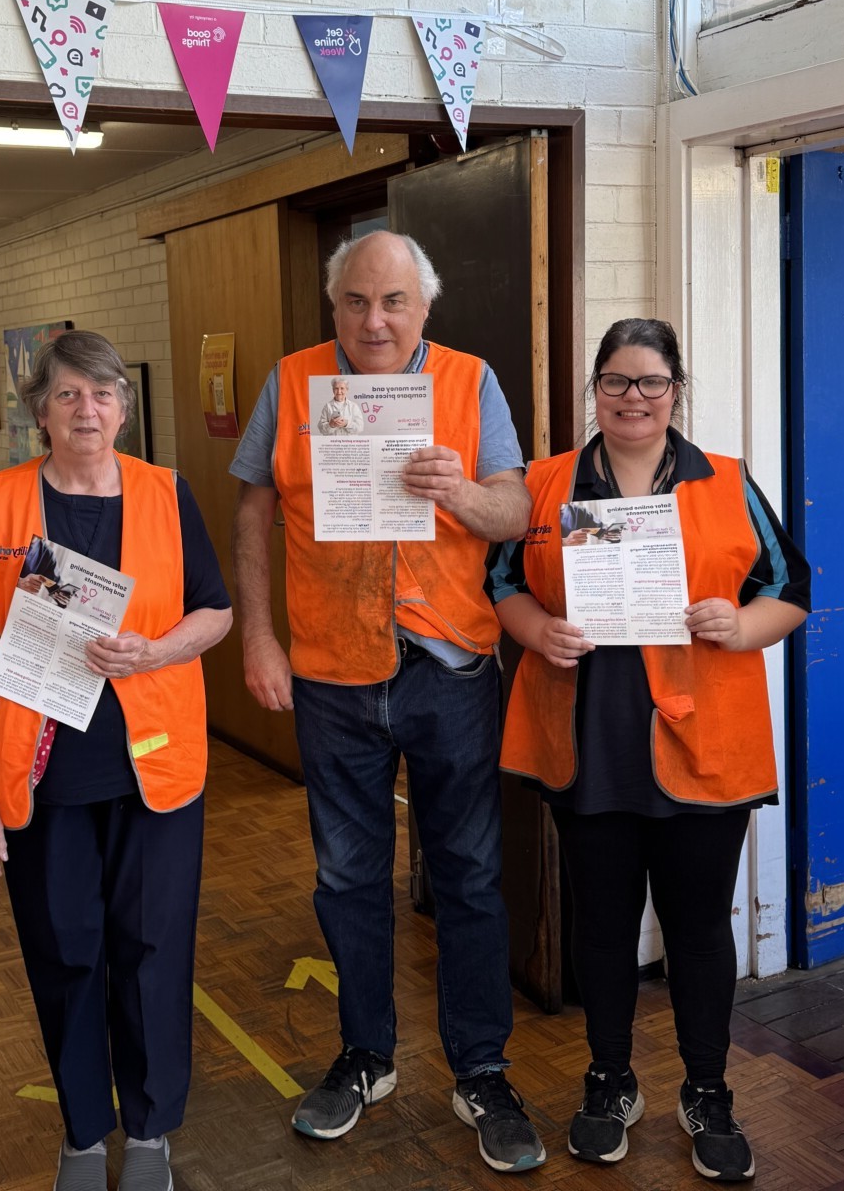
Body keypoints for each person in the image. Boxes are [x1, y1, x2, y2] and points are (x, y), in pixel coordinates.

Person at [229, 230, 546, 1173]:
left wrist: (460, 492)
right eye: (356, 301)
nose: (375, 319)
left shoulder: (470, 379)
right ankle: (366, 1056)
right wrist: (256, 636)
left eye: (394, 301)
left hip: (450, 669)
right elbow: (252, 506)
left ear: (424, 306)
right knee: (346, 879)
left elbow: (516, 510)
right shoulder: (292, 384)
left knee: (472, 879)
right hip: (331, 670)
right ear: (334, 307)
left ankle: (480, 1068)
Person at [489, 317, 808, 1183]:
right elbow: (502, 584)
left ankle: (707, 1090)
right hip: (588, 743)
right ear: (594, 389)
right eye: (617, 382)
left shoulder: (728, 481)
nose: (634, 399)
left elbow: (790, 590)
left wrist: (738, 625)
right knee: (603, 923)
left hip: (705, 743)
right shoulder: (548, 482)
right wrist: (538, 631)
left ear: (676, 390)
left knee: (701, 926)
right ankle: (609, 1081)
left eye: (652, 383)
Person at [0, 330, 233, 1191]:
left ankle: (147, 1138)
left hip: (156, 771)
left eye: (103, 394)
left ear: (123, 407)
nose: (88, 410)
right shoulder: (1, 500)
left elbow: (215, 613)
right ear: (40, 411)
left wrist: (156, 651)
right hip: (41, 778)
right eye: (69, 395)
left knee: (152, 953)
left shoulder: (164, 492)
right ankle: (82, 1135)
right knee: (64, 952)